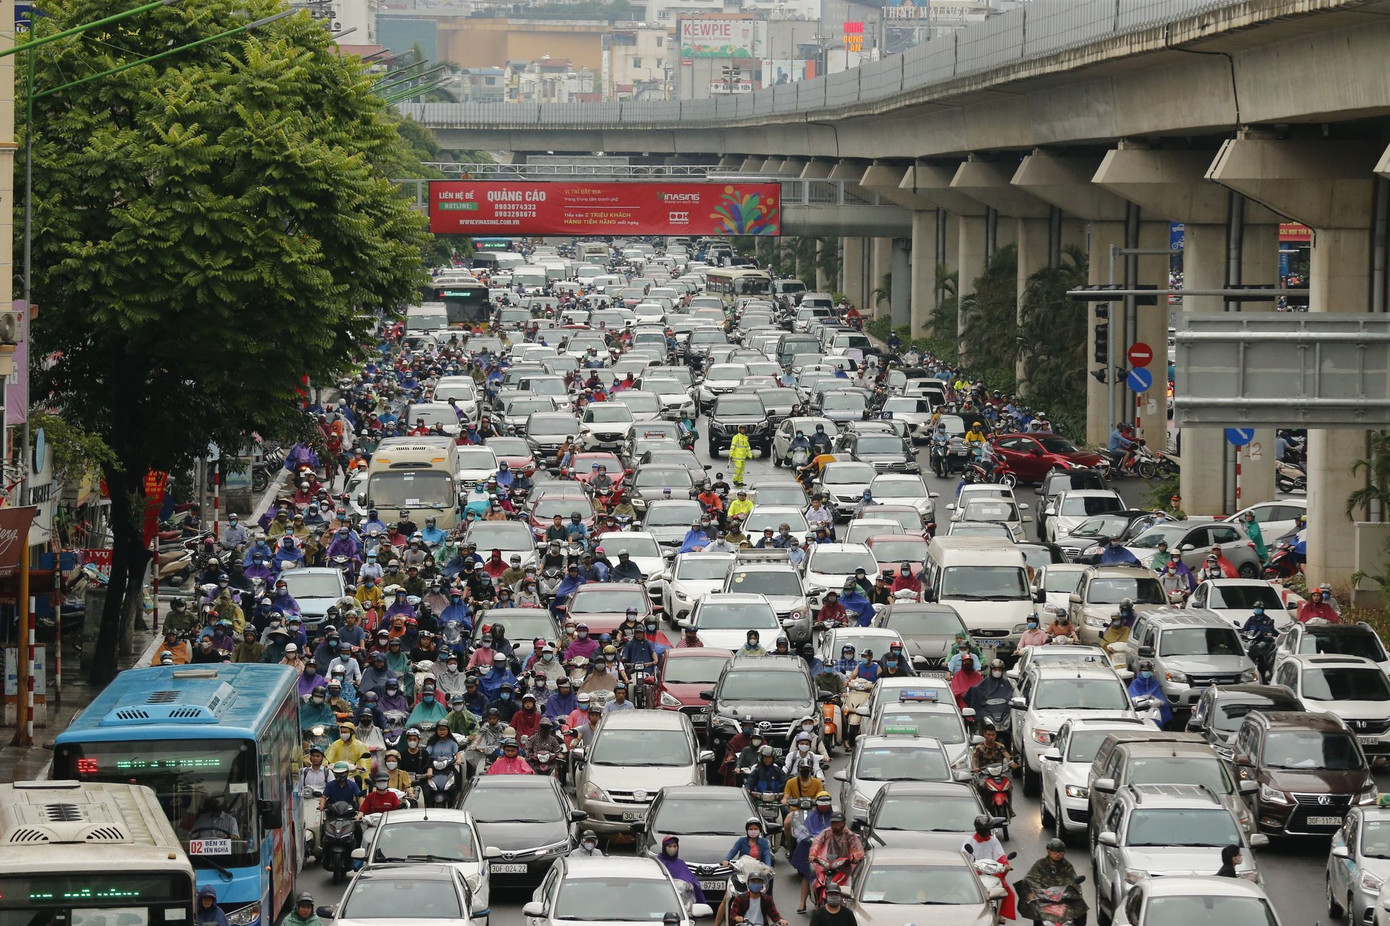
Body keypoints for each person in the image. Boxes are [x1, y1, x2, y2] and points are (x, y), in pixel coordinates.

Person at [1021, 839, 1087, 926]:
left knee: (1082, 910)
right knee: (1037, 914)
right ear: (1049, 852)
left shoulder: (1067, 865)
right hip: (1044, 897)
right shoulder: (1040, 865)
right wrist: (1030, 892)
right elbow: (1029, 879)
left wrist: (1075, 892)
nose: (1059, 855)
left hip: (1063, 897)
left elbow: (1073, 880)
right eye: (1056, 853)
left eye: (1061, 853)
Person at [962, 815, 1015, 919]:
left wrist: (1005, 865)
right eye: (983, 829)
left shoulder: (993, 841)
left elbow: (1001, 856)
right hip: (974, 874)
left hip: (991, 873)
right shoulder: (969, 841)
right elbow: (964, 856)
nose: (985, 832)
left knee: (1006, 891)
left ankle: (1001, 913)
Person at [808, 813, 864, 903]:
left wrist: (854, 857)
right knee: (813, 880)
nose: (835, 826)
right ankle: (812, 902)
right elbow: (817, 843)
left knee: (851, 887)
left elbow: (856, 849)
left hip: (845, 866)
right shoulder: (827, 832)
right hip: (828, 863)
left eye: (838, 823)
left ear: (843, 823)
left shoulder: (850, 836)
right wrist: (812, 854)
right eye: (833, 823)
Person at [658, 836, 707, 904]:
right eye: (669, 846)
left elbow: (692, 880)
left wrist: (689, 885)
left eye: (674, 846)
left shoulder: (680, 863)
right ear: (664, 847)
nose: (672, 848)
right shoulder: (659, 862)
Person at [1128, 659, 1172, 728]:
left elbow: (1161, 698)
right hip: (1139, 709)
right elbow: (1131, 696)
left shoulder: (1155, 683)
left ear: (1152, 672)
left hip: (1153, 710)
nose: (1146, 672)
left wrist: (1160, 702)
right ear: (1140, 671)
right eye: (1144, 671)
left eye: (1148, 671)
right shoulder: (1135, 683)